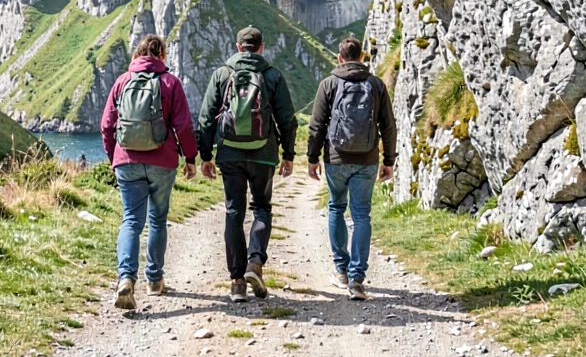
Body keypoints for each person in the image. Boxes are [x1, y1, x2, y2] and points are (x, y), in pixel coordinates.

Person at [197, 26, 298, 303]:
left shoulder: (222, 74)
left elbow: (206, 118)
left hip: (229, 154)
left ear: (238, 47)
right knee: (262, 208)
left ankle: (237, 282)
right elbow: (287, 120)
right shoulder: (272, 75)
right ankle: (255, 262)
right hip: (264, 153)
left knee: (233, 212)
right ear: (261, 48)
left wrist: (205, 155)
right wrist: (288, 154)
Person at [100, 34, 198, 310]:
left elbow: (107, 126)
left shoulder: (122, 82)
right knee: (157, 219)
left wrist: (113, 157)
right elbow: (184, 126)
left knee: (131, 220)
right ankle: (154, 280)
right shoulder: (170, 82)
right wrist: (190, 158)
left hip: (126, 161)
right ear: (162, 56)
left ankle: (125, 279)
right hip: (162, 162)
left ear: (137, 55)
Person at [306, 36, 396, 301]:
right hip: (368, 160)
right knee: (361, 215)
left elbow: (317, 125)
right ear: (362, 57)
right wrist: (389, 160)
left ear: (339, 58)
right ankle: (357, 280)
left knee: (335, 207)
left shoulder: (329, 84)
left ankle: (341, 271)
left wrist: (312, 158)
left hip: (336, 158)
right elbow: (388, 126)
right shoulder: (377, 85)